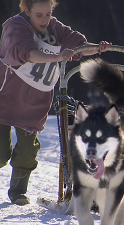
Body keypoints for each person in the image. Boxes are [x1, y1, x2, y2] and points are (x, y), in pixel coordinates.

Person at [0, 0, 112, 205]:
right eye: (39, 15)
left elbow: (77, 43)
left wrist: (96, 48)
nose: (45, 20)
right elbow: (27, 52)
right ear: (26, 10)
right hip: (6, 98)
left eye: (48, 14)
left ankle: (18, 192)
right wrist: (58, 56)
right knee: (0, 153)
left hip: (34, 103)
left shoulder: (54, 27)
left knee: (27, 151)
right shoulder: (15, 26)